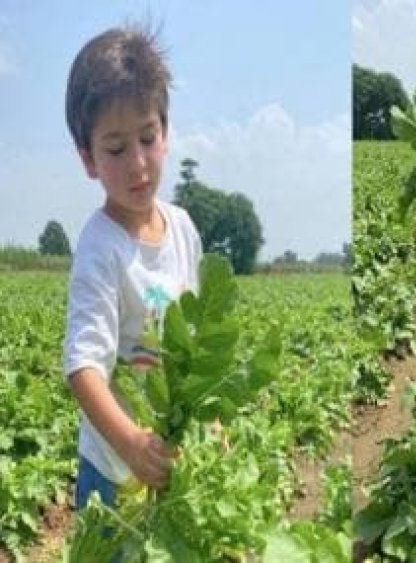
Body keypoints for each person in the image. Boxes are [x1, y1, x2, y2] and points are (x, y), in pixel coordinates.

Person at [62, 25, 202, 512]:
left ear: (165, 133)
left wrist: (213, 422)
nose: (138, 163)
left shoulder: (183, 229)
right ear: (88, 160)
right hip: (112, 473)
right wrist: (130, 445)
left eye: (148, 137)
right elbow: (83, 367)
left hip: (170, 461)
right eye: (117, 149)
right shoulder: (101, 247)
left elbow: (197, 346)